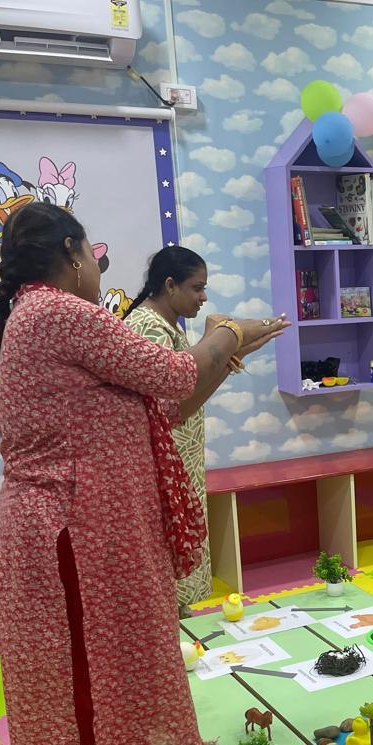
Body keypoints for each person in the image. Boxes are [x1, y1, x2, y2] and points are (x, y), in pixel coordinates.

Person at [0, 202, 289, 745]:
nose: (99, 267)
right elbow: (177, 378)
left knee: (112, 695)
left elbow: (167, 407)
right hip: (74, 539)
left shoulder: (38, 316)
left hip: (81, 536)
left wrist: (222, 349)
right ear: (72, 252)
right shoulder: (57, 311)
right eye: (93, 253)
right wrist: (227, 331)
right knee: (105, 701)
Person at [123, 247, 213, 617]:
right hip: (163, 466)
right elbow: (168, 406)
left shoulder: (167, 325)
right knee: (167, 553)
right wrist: (219, 345)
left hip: (179, 461)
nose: (203, 297)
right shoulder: (148, 327)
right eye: (197, 288)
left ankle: (178, 621)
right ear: (170, 285)